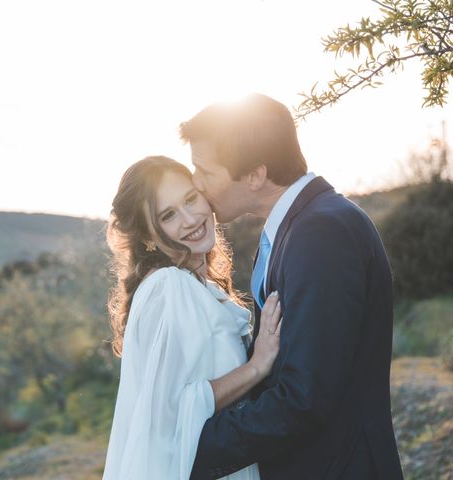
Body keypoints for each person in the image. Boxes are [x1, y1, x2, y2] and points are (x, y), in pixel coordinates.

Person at [180, 93, 403, 480]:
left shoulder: (322, 231)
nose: (197, 185)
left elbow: (306, 397)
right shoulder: (296, 228)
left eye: (205, 172)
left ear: (255, 174)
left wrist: (189, 448)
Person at [102, 156, 282, 480]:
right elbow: (170, 411)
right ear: (147, 236)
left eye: (190, 199)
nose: (190, 219)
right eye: (168, 215)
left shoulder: (193, 284)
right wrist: (256, 367)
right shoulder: (168, 286)